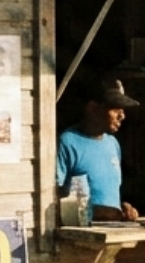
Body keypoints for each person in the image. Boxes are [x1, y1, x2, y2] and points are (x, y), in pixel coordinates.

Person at [56, 79, 139, 222]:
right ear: (93, 108)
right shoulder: (67, 142)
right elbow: (53, 198)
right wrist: (101, 213)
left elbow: (107, 196)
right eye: (115, 109)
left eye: (123, 110)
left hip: (114, 233)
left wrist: (122, 209)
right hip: (83, 235)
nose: (122, 116)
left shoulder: (112, 143)